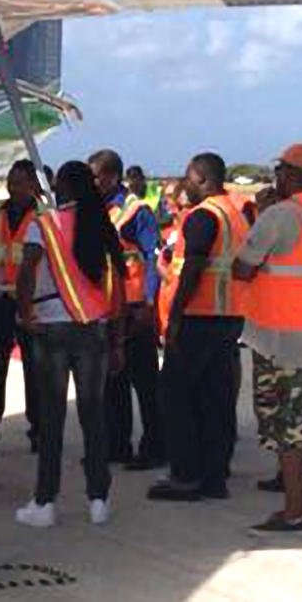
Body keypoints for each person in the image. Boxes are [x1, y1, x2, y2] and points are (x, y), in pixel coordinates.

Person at [233, 144, 302, 536]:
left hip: (281, 335)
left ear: (292, 174)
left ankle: (294, 513)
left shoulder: (279, 215)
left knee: (284, 424)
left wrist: (261, 217)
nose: (276, 177)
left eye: (280, 170)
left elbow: (242, 269)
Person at [14, 162, 125, 529]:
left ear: (63, 187)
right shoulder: (101, 224)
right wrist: (117, 336)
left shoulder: (43, 224)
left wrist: (24, 311)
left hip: (52, 329)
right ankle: (99, 500)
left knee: (51, 418)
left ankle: (45, 502)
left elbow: (27, 270)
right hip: (93, 330)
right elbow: (118, 286)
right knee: (94, 416)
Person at [150, 154, 250, 501]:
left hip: (200, 317)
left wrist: (175, 317)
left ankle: (185, 476)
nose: (185, 184)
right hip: (230, 317)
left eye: (190, 179)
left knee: (176, 397)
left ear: (203, 178)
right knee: (216, 400)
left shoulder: (204, 216)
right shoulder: (236, 212)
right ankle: (214, 476)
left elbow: (193, 269)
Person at [90, 149, 164, 470]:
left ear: (111, 176)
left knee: (145, 383)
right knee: (111, 381)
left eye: (97, 175)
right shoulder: (95, 209)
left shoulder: (136, 211)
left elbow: (152, 259)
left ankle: (155, 448)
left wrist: (149, 303)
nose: (93, 181)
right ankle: (116, 445)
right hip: (106, 308)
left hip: (134, 308)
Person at [0, 160, 43, 455]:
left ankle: (39, 433)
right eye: (10, 181)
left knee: (36, 371)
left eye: (18, 181)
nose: (12, 187)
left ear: (32, 185)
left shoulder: (45, 215)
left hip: (32, 301)